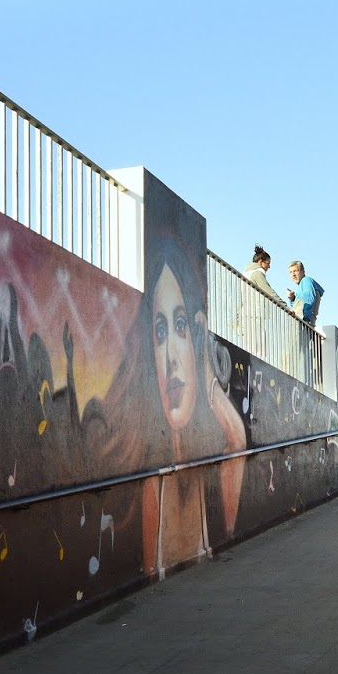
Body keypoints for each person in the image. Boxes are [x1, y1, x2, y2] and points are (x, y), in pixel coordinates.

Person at [103, 236, 247, 577]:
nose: (170, 356)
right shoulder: (153, 482)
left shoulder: (210, 466)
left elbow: (238, 443)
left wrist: (206, 368)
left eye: (181, 326)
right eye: (160, 331)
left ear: (196, 335)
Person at [286, 260, 324, 326]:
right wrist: (292, 299)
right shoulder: (301, 287)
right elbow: (297, 309)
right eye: (291, 272)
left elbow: (309, 299)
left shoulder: (306, 280)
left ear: (303, 272)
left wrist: (306, 320)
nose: (293, 275)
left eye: (295, 271)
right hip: (301, 323)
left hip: (304, 324)